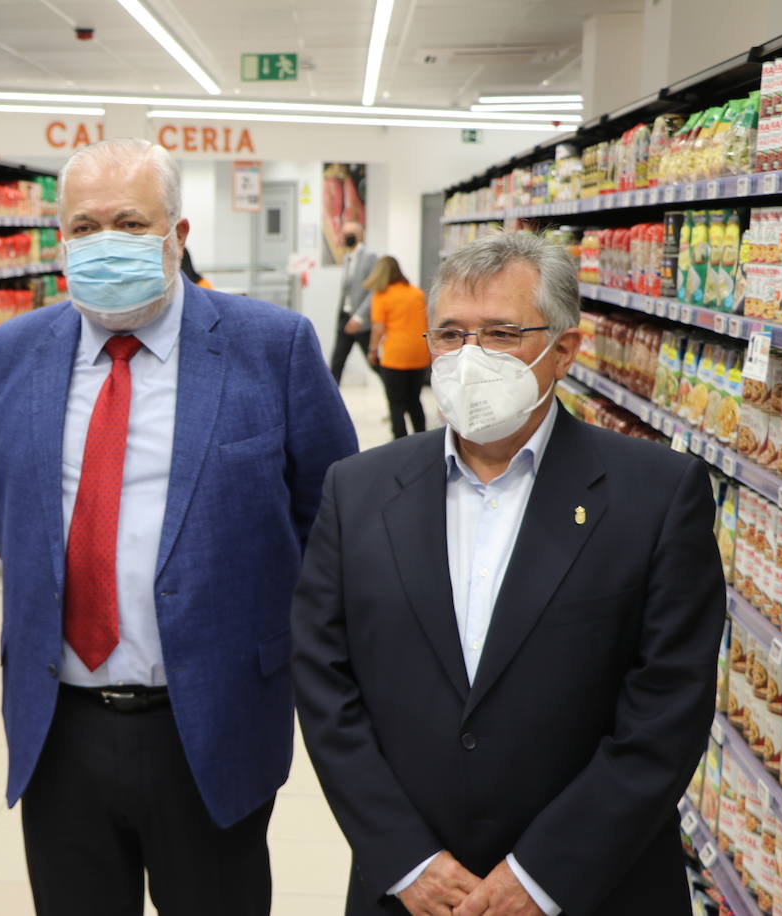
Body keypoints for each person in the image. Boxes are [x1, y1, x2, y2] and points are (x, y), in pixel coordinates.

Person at [0, 138, 357, 916]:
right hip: (59, 725)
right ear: (61, 242)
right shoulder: (13, 354)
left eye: (131, 223)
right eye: (85, 226)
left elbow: (331, 514)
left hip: (211, 718)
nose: (105, 243)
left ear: (177, 236)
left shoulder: (270, 347)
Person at [291, 231, 725, 916]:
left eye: (501, 334)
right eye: (452, 335)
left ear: (565, 350)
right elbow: (323, 681)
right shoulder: (358, 491)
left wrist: (543, 874)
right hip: (410, 890)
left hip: (596, 886)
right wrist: (406, 858)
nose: (470, 359)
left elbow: (667, 711)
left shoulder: (658, 495)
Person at [364, 256, 431, 438]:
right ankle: (422, 438)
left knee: (396, 403)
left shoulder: (381, 296)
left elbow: (378, 328)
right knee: (414, 400)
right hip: (419, 353)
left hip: (396, 355)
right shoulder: (416, 293)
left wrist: (372, 350)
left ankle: (400, 442)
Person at [328, 220, 378, 384]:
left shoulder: (370, 257)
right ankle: (330, 403)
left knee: (374, 362)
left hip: (361, 320)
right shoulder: (347, 257)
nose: (347, 238)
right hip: (345, 315)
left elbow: (374, 289)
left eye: (351, 234)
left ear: (360, 235)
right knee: (337, 362)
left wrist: (359, 317)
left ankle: (397, 397)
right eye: (345, 234)